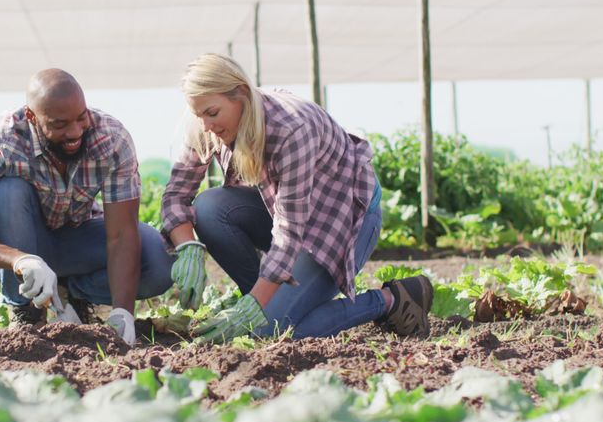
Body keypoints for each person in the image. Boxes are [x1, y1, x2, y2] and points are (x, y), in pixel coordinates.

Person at [161, 53, 433, 344]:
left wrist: (260, 306)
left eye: (212, 113)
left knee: (271, 331)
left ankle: (391, 299)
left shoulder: (292, 127)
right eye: (198, 115)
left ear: (240, 93)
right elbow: (177, 195)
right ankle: (270, 305)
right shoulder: (206, 123)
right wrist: (188, 246)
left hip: (342, 220)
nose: (205, 126)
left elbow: (289, 232)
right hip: (284, 214)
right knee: (209, 208)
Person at [0, 68, 174, 345]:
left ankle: (69, 293)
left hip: (76, 240)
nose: (74, 132)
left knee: (157, 262)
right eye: (60, 124)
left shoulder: (111, 138)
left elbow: (121, 233)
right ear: (32, 117)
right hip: (21, 243)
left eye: (81, 118)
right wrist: (19, 260)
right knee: (8, 191)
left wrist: (123, 311)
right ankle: (25, 311)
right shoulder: (1, 143)